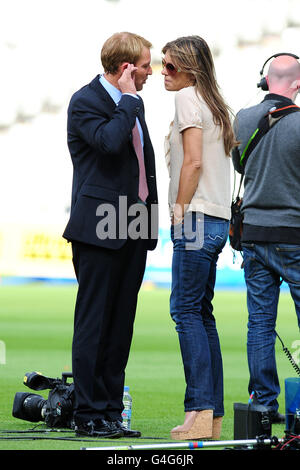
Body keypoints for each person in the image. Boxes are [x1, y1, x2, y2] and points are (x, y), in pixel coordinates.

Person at [63, 32, 158, 438]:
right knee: (94, 323)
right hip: (100, 227)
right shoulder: (87, 101)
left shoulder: (129, 104)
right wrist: (128, 102)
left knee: (120, 326)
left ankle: (110, 413)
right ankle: (88, 414)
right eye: (146, 65)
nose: (151, 72)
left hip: (132, 226)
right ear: (126, 69)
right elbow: (108, 144)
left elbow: (141, 166)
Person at [162, 36, 236, 440]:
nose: (163, 73)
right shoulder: (215, 104)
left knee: (184, 312)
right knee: (201, 314)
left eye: (170, 66)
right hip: (217, 219)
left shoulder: (188, 98)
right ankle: (213, 416)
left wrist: (178, 211)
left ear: (191, 68)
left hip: (195, 217)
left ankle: (199, 410)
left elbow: (192, 163)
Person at [232, 54, 300, 422]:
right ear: (297, 83)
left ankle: (263, 405)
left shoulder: (243, 118)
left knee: (259, 323)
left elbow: (240, 164)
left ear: (265, 80)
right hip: (295, 234)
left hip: (255, 234)